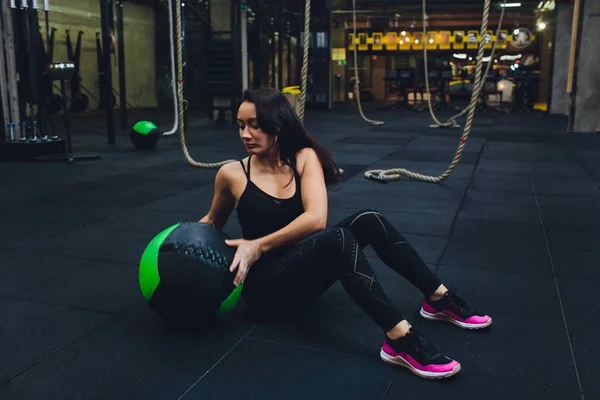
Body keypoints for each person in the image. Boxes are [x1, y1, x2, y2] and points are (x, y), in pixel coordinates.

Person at [199, 87, 492, 380]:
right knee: (338, 240)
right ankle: (399, 339)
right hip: (264, 292)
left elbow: (316, 219)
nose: (246, 134)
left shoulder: (303, 158)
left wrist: (256, 245)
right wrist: (171, 249)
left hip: (301, 277)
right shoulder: (232, 174)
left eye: (255, 125)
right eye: (241, 126)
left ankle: (438, 298)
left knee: (369, 219)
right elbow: (212, 221)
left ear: (277, 124)